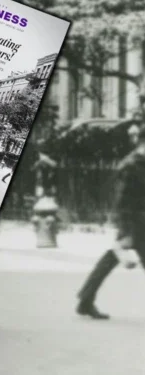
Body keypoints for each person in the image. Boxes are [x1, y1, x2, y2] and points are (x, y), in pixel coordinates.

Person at [75, 123, 145, 320]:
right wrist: (126, 230)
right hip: (134, 222)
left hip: (139, 221)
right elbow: (121, 200)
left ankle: (85, 300)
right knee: (111, 258)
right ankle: (85, 300)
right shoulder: (131, 165)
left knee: (109, 260)